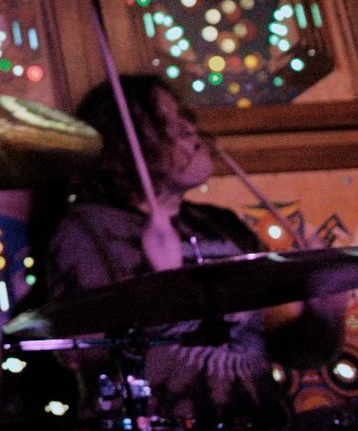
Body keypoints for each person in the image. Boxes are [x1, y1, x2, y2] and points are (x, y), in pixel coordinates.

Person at [40, 76, 347, 430]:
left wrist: (325, 307)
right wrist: (163, 292)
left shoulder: (222, 223)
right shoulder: (90, 229)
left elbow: (296, 352)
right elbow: (77, 353)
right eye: (164, 122)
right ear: (123, 142)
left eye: (184, 117)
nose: (189, 129)